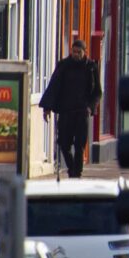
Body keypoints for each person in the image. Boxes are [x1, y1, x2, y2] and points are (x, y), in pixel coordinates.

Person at [39, 39, 102, 178]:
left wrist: (90, 108)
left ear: (85, 52)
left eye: (79, 52)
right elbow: (54, 86)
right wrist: (47, 108)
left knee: (79, 145)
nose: (76, 54)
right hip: (66, 111)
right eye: (74, 51)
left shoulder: (91, 67)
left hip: (82, 112)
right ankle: (72, 167)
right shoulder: (64, 66)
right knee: (63, 143)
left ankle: (76, 173)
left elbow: (97, 92)